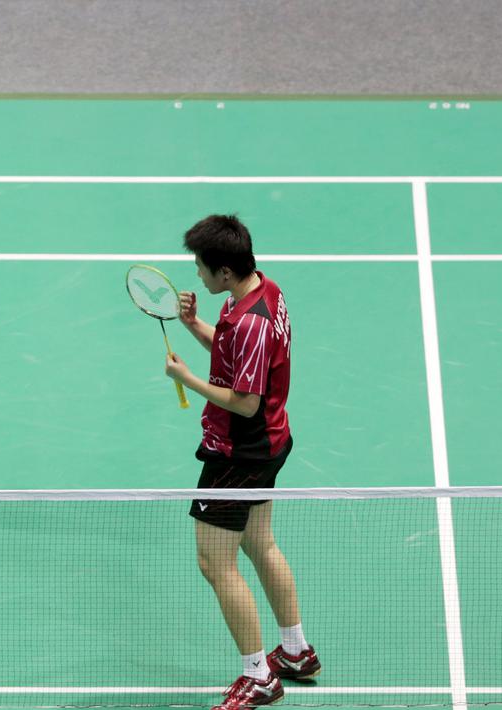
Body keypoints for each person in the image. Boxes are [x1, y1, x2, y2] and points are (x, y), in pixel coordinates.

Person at [163, 215, 321, 708]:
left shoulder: (250, 322)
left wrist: (186, 379)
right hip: (271, 441)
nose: (197, 274)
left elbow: (245, 401)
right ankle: (295, 651)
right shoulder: (261, 291)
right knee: (259, 542)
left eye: (201, 267)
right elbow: (235, 356)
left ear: (226, 271)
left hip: (239, 453)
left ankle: (259, 677)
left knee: (215, 563)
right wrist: (194, 325)